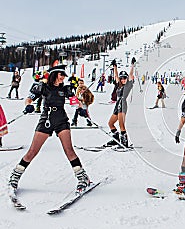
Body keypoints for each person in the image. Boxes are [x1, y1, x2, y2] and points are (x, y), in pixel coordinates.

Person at [8, 65, 91, 194]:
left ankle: (82, 177)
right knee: (32, 151)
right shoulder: (43, 87)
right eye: (61, 74)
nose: (63, 77)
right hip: (46, 119)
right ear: (55, 75)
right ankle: (15, 176)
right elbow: (29, 98)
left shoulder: (66, 89)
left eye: (64, 75)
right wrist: (28, 105)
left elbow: (74, 101)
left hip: (61, 120)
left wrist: (80, 109)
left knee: (69, 150)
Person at [105, 58, 135, 147]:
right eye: (122, 79)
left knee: (121, 125)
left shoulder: (128, 85)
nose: (123, 80)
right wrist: (115, 66)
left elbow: (130, 74)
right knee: (110, 123)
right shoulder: (119, 85)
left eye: (124, 78)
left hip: (123, 105)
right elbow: (116, 76)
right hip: (117, 105)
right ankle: (116, 138)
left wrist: (132, 65)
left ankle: (125, 142)